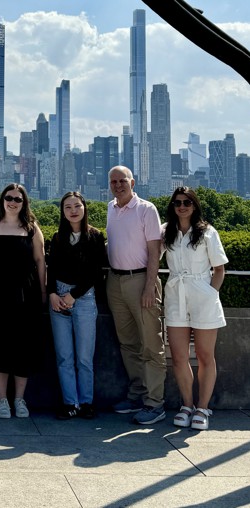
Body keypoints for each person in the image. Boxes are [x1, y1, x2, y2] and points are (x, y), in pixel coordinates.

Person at [0, 184, 46, 419]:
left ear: (24, 203)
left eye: (18, 199)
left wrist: (43, 292)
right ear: (2, 200)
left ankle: (19, 399)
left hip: (26, 294)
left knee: (23, 346)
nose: (13, 202)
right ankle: (2, 399)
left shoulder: (32, 228)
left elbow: (40, 260)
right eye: (9, 198)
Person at [162, 187, 228, 431]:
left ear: (194, 205)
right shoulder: (166, 232)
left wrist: (210, 294)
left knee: (204, 355)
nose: (182, 206)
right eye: (177, 202)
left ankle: (202, 407)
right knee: (179, 356)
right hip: (175, 296)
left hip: (203, 296)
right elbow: (147, 253)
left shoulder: (207, 232)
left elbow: (219, 268)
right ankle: (187, 405)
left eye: (187, 202)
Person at [106, 165, 167, 425]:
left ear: (132, 183)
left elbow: (154, 251)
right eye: (113, 181)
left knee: (151, 345)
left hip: (141, 280)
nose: (118, 185)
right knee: (128, 344)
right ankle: (136, 395)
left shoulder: (146, 209)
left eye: (122, 181)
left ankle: (155, 403)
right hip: (115, 281)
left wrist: (149, 286)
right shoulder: (111, 208)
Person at [47, 191, 107, 420]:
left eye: (77, 206)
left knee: (84, 357)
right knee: (64, 356)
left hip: (84, 298)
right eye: (68, 207)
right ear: (62, 212)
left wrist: (74, 294)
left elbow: (96, 271)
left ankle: (86, 402)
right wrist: (52, 294)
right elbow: (51, 268)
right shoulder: (57, 237)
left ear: (84, 208)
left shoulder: (95, 236)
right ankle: (69, 403)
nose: (73, 211)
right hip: (58, 298)